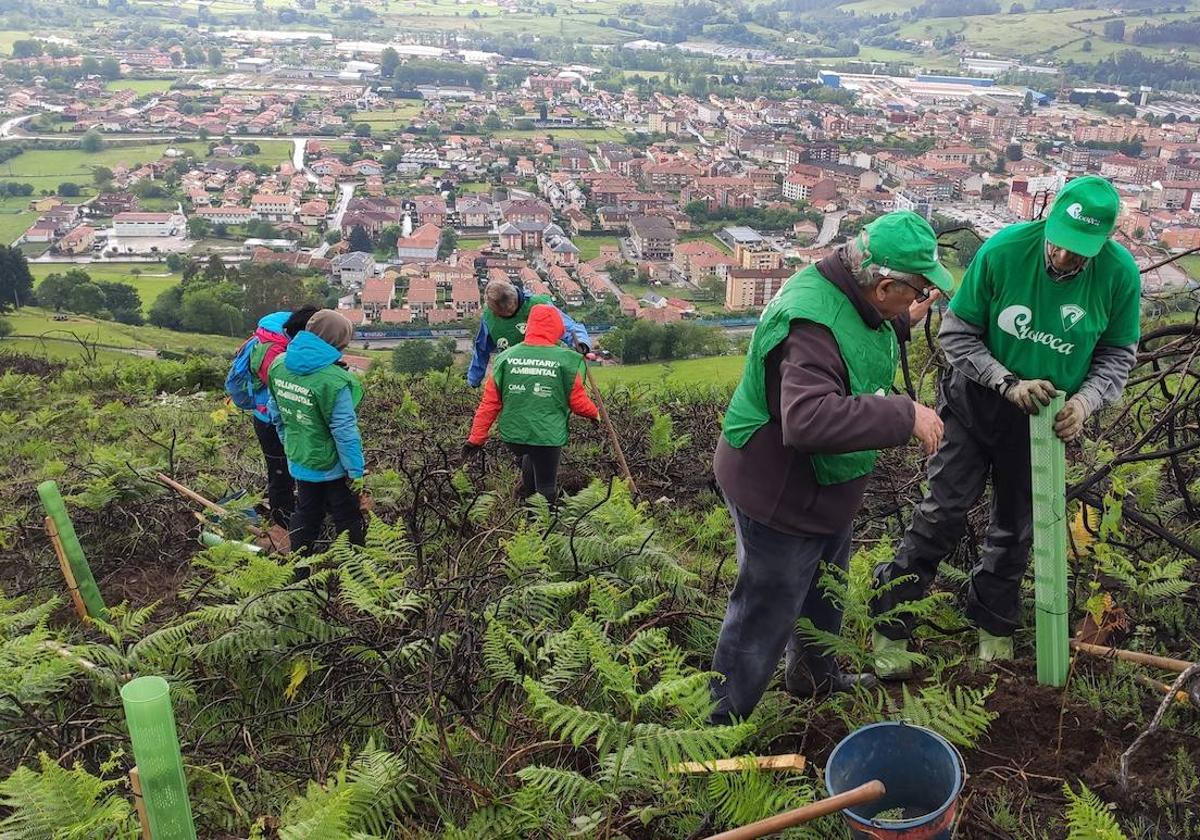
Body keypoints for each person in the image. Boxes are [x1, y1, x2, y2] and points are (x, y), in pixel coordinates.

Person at [870, 175, 1141, 676]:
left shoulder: (1119, 275)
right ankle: (890, 623)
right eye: (1060, 245)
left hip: (1044, 421)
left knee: (1016, 529)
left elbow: (1117, 353)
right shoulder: (1004, 251)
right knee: (942, 512)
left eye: (1080, 253)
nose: (1065, 259)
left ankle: (993, 624)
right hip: (976, 404)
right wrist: (1005, 380)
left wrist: (1085, 402)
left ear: (1103, 243)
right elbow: (958, 333)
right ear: (1048, 222)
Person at [709, 211, 954, 724]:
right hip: (778, 494)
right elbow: (808, 419)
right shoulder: (811, 323)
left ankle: (813, 676)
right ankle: (719, 730)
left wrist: (903, 320)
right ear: (884, 285)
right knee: (763, 614)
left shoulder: (856, 293)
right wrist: (905, 413)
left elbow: (858, 338)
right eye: (913, 292)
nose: (916, 300)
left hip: (826, 491)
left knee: (825, 590)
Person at [463, 303, 600, 504]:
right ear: (557, 328)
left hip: (514, 435)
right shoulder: (567, 360)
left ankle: (528, 511)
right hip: (547, 435)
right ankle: (545, 527)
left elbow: (489, 404)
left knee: (529, 456)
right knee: (547, 485)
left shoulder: (505, 357)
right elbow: (577, 402)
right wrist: (594, 414)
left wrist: (476, 438)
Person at [266, 309, 367, 558]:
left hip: (299, 456)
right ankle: (356, 572)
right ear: (337, 341)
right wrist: (356, 471)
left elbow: (276, 413)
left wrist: (290, 444)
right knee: (346, 516)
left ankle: (299, 570)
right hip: (331, 463)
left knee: (306, 513)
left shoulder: (279, 365)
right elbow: (344, 431)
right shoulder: (335, 380)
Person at [224, 306, 319, 527]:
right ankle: (284, 523)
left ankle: (288, 516)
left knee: (281, 471)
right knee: (283, 473)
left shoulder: (261, 339)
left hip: (264, 417)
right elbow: (286, 388)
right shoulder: (278, 352)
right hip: (275, 420)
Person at [467, 279, 591, 388]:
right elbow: (481, 349)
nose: (509, 312)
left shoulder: (538, 304)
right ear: (495, 312)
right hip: (514, 376)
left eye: (512, 307)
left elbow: (569, 327)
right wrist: (474, 378)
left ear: (515, 297)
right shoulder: (489, 318)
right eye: (504, 312)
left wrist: (581, 343)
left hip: (546, 370)